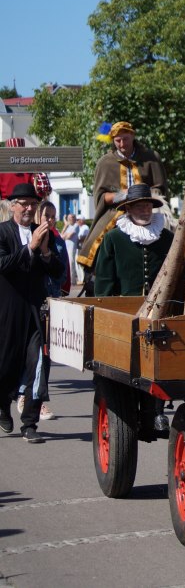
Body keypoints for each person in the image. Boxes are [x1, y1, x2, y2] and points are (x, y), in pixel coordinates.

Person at [0, 183, 64, 443]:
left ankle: (29, 424)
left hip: (36, 312)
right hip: (7, 312)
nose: (28, 208)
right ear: (13, 205)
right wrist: (29, 248)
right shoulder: (3, 232)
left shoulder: (44, 233)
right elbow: (3, 264)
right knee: (5, 367)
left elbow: (58, 272)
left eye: (32, 204)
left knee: (37, 365)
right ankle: (3, 405)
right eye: (23, 203)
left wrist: (46, 250)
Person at [78, 121, 168, 272]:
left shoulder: (151, 157)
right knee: (95, 244)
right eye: (117, 140)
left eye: (125, 139)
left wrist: (146, 195)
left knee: (169, 237)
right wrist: (123, 196)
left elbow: (161, 187)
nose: (122, 144)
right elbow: (101, 198)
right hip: (116, 212)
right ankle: (95, 276)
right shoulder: (105, 162)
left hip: (147, 208)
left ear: (132, 136)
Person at [94, 184, 175, 297]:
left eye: (148, 206)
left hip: (160, 306)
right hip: (124, 308)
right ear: (128, 209)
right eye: (139, 206)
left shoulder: (167, 237)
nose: (145, 210)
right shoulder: (113, 238)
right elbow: (104, 280)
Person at [61, 213, 80, 282]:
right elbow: (61, 236)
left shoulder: (76, 225)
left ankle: (72, 281)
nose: (69, 219)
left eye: (71, 217)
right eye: (68, 218)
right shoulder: (68, 226)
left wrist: (65, 235)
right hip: (66, 247)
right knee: (67, 263)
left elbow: (69, 236)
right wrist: (65, 226)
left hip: (72, 247)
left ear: (74, 218)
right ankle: (68, 280)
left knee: (71, 263)